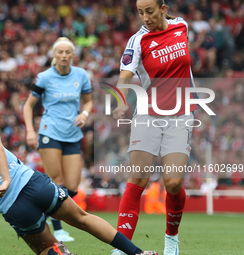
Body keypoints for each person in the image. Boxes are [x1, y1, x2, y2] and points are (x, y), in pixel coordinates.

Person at [0, 102, 159, 255]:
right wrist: (6, 179)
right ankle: (138, 254)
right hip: (33, 184)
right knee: (83, 219)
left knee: (47, 248)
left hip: (13, 208)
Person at [111, 0, 199, 255]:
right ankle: (120, 249)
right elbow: (125, 75)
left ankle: (171, 238)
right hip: (148, 114)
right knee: (137, 180)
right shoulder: (137, 41)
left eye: (149, 11)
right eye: (140, 12)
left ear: (163, 8)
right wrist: (119, 102)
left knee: (172, 183)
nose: (144, 17)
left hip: (181, 114)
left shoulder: (181, 26)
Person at [23, 37, 92, 242]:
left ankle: (43, 214)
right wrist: (30, 131)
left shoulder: (81, 75)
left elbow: (88, 102)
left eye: (67, 52)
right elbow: (28, 106)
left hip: (72, 135)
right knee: (57, 181)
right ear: (54, 54)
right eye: (60, 52)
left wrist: (85, 115)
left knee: (72, 186)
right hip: (49, 132)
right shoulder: (44, 77)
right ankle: (59, 229)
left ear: (73, 55)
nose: (63, 55)